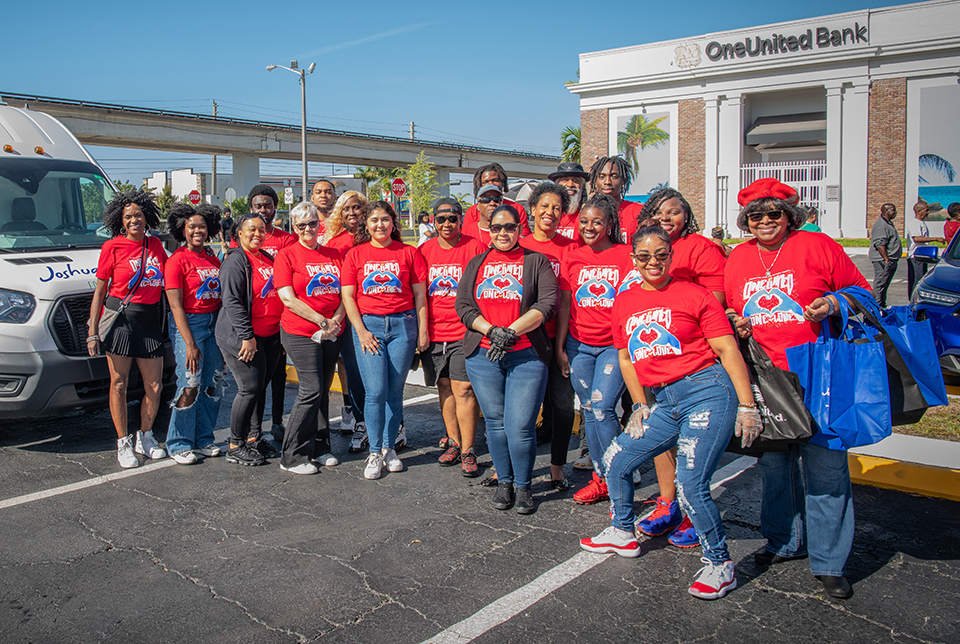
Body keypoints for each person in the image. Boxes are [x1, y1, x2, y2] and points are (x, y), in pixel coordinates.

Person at [580, 225, 760, 601]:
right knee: (615, 459)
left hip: (707, 392)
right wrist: (640, 404)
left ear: (671, 256)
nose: (653, 262)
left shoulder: (694, 294)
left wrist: (747, 406)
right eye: (644, 256)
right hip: (663, 401)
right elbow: (627, 358)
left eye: (661, 254)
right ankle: (622, 531)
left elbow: (728, 351)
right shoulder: (625, 300)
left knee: (690, 484)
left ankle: (719, 563)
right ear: (633, 259)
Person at [725, 177, 871, 600]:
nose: (765, 221)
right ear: (746, 221)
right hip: (766, 374)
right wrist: (737, 320)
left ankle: (829, 561)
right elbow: (733, 306)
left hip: (819, 373)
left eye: (774, 214)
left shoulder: (818, 246)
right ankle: (782, 541)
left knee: (825, 467)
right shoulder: (739, 257)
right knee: (774, 467)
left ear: (789, 216)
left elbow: (862, 291)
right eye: (756, 215)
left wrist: (832, 304)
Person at [630, 188, 728, 548]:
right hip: (653, 356)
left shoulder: (702, 248)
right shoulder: (647, 245)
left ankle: (691, 512)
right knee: (662, 441)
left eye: (674, 212)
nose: (667, 219)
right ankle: (667, 504)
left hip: (691, 357)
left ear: (687, 216)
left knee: (691, 444)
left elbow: (715, 299)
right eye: (659, 213)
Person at [456, 204, 559, 514]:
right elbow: (463, 306)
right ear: (489, 230)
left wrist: (510, 332)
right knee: (497, 424)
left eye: (510, 227)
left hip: (526, 354)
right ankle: (506, 482)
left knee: (521, 425)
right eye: (497, 227)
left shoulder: (536, 261)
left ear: (519, 229)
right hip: (483, 355)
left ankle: (525, 487)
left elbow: (548, 304)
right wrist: (491, 331)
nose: (503, 233)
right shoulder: (477, 263)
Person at [556, 194, 634, 506]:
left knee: (603, 409)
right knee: (588, 409)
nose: (589, 227)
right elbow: (565, 304)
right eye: (584, 221)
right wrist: (561, 346)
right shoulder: (573, 256)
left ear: (610, 224)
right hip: (578, 344)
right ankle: (601, 476)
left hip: (614, 345)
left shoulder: (626, 255)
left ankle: (620, 471)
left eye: (597, 222)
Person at [342, 201, 428, 480]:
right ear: (366, 224)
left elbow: (419, 296)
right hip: (369, 326)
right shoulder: (355, 254)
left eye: (385, 219)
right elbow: (348, 297)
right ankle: (374, 452)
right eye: (374, 220)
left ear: (393, 222)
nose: (380, 225)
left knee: (394, 392)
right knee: (376, 391)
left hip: (403, 326)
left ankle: (390, 449)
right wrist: (362, 331)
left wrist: (422, 331)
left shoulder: (409, 253)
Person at [87, 189, 168, 468]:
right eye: (128, 216)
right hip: (121, 323)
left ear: (147, 218)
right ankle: (123, 443)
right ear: (120, 221)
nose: (134, 220)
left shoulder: (155, 245)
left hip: (149, 323)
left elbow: (171, 279)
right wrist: (93, 331)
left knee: (155, 386)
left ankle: (145, 436)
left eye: (139, 215)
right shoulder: (112, 247)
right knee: (119, 384)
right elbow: (99, 292)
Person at [274, 201, 347, 475]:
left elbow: (343, 295)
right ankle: (292, 455)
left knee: (323, 390)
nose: (308, 229)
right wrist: (321, 320)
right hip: (301, 331)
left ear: (321, 224)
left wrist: (336, 321)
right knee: (311, 389)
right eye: (301, 225)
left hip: (332, 329)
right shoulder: (287, 255)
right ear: (294, 227)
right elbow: (288, 299)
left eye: (312, 223)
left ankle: (320, 446)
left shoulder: (334, 255)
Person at [418, 198, 486, 476]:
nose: (447, 224)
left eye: (453, 218)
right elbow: (418, 293)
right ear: (433, 221)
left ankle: (469, 449)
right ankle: (454, 442)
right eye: (441, 219)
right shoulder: (424, 251)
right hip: (434, 332)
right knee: (444, 387)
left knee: (464, 389)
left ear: (461, 219)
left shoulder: (475, 247)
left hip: (464, 332)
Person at [519, 183, 577, 489]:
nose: (550, 213)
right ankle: (515, 469)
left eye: (557, 208)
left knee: (563, 404)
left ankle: (557, 466)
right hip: (524, 340)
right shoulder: (519, 245)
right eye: (544, 206)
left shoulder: (570, 248)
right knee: (522, 409)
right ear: (532, 209)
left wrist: (560, 345)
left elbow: (566, 301)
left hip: (558, 337)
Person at [215, 212, 285, 466]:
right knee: (249, 388)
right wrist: (247, 336)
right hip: (244, 337)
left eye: (261, 230)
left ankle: (254, 438)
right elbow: (232, 302)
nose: (257, 234)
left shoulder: (265, 257)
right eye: (251, 230)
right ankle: (235, 444)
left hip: (269, 336)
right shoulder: (236, 261)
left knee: (259, 388)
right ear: (239, 234)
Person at [164, 203, 224, 465]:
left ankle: (203, 439)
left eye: (202, 226)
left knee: (213, 384)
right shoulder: (176, 260)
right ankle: (179, 443)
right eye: (192, 227)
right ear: (182, 230)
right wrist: (189, 342)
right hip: (190, 324)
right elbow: (175, 305)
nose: (197, 230)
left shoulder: (212, 259)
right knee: (190, 383)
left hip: (214, 325)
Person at [239, 185, 295, 449]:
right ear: (251, 208)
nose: (263, 210)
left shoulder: (286, 240)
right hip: (253, 326)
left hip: (279, 323)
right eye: (258, 206)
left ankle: (277, 422)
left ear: (275, 208)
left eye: (268, 206)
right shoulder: (243, 243)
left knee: (278, 376)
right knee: (255, 381)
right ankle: (254, 431)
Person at [323, 190, 369, 439]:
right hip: (348, 316)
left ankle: (393, 426)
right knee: (353, 369)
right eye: (346, 209)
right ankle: (360, 421)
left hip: (378, 311)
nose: (352, 213)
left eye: (357, 208)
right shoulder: (335, 243)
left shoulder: (376, 235)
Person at [462, 163, 531, 239]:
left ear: (503, 183)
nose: (490, 184)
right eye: (486, 182)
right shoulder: (472, 212)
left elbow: (523, 238)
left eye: (495, 180)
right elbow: (466, 238)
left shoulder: (517, 208)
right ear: (479, 185)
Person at [588, 156, 643, 242]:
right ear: (595, 181)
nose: (607, 182)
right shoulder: (587, 213)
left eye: (614, 176)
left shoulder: (638, 212)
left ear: (623, 181)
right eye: (602, 176)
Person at [907, 201, 945, 296]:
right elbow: (917, 238)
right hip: (916, 256)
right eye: (926, 210)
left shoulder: (921, 223)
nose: (928, 213)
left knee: (921, 279)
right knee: (917, 280)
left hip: (922, 255)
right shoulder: (915, 223)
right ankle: (914, 299)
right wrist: (936, 239)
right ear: (919, 211)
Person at [869, 203, 902, 308]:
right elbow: (879, 243)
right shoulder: (881, 225)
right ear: (885, 211)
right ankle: (877, 305)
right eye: (893, 210)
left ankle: (882, 304)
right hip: (882, 260)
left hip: (890, 259)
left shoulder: (888, 224)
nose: (895, 212)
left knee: (885, 284)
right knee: (880, 284)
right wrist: (886, 259)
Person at [548, 162, 590, 241]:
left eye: (575, 181)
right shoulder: (549, 213)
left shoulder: (589, 214)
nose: (570, 185)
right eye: (565, 180)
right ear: (557, 185)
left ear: (583, 186)